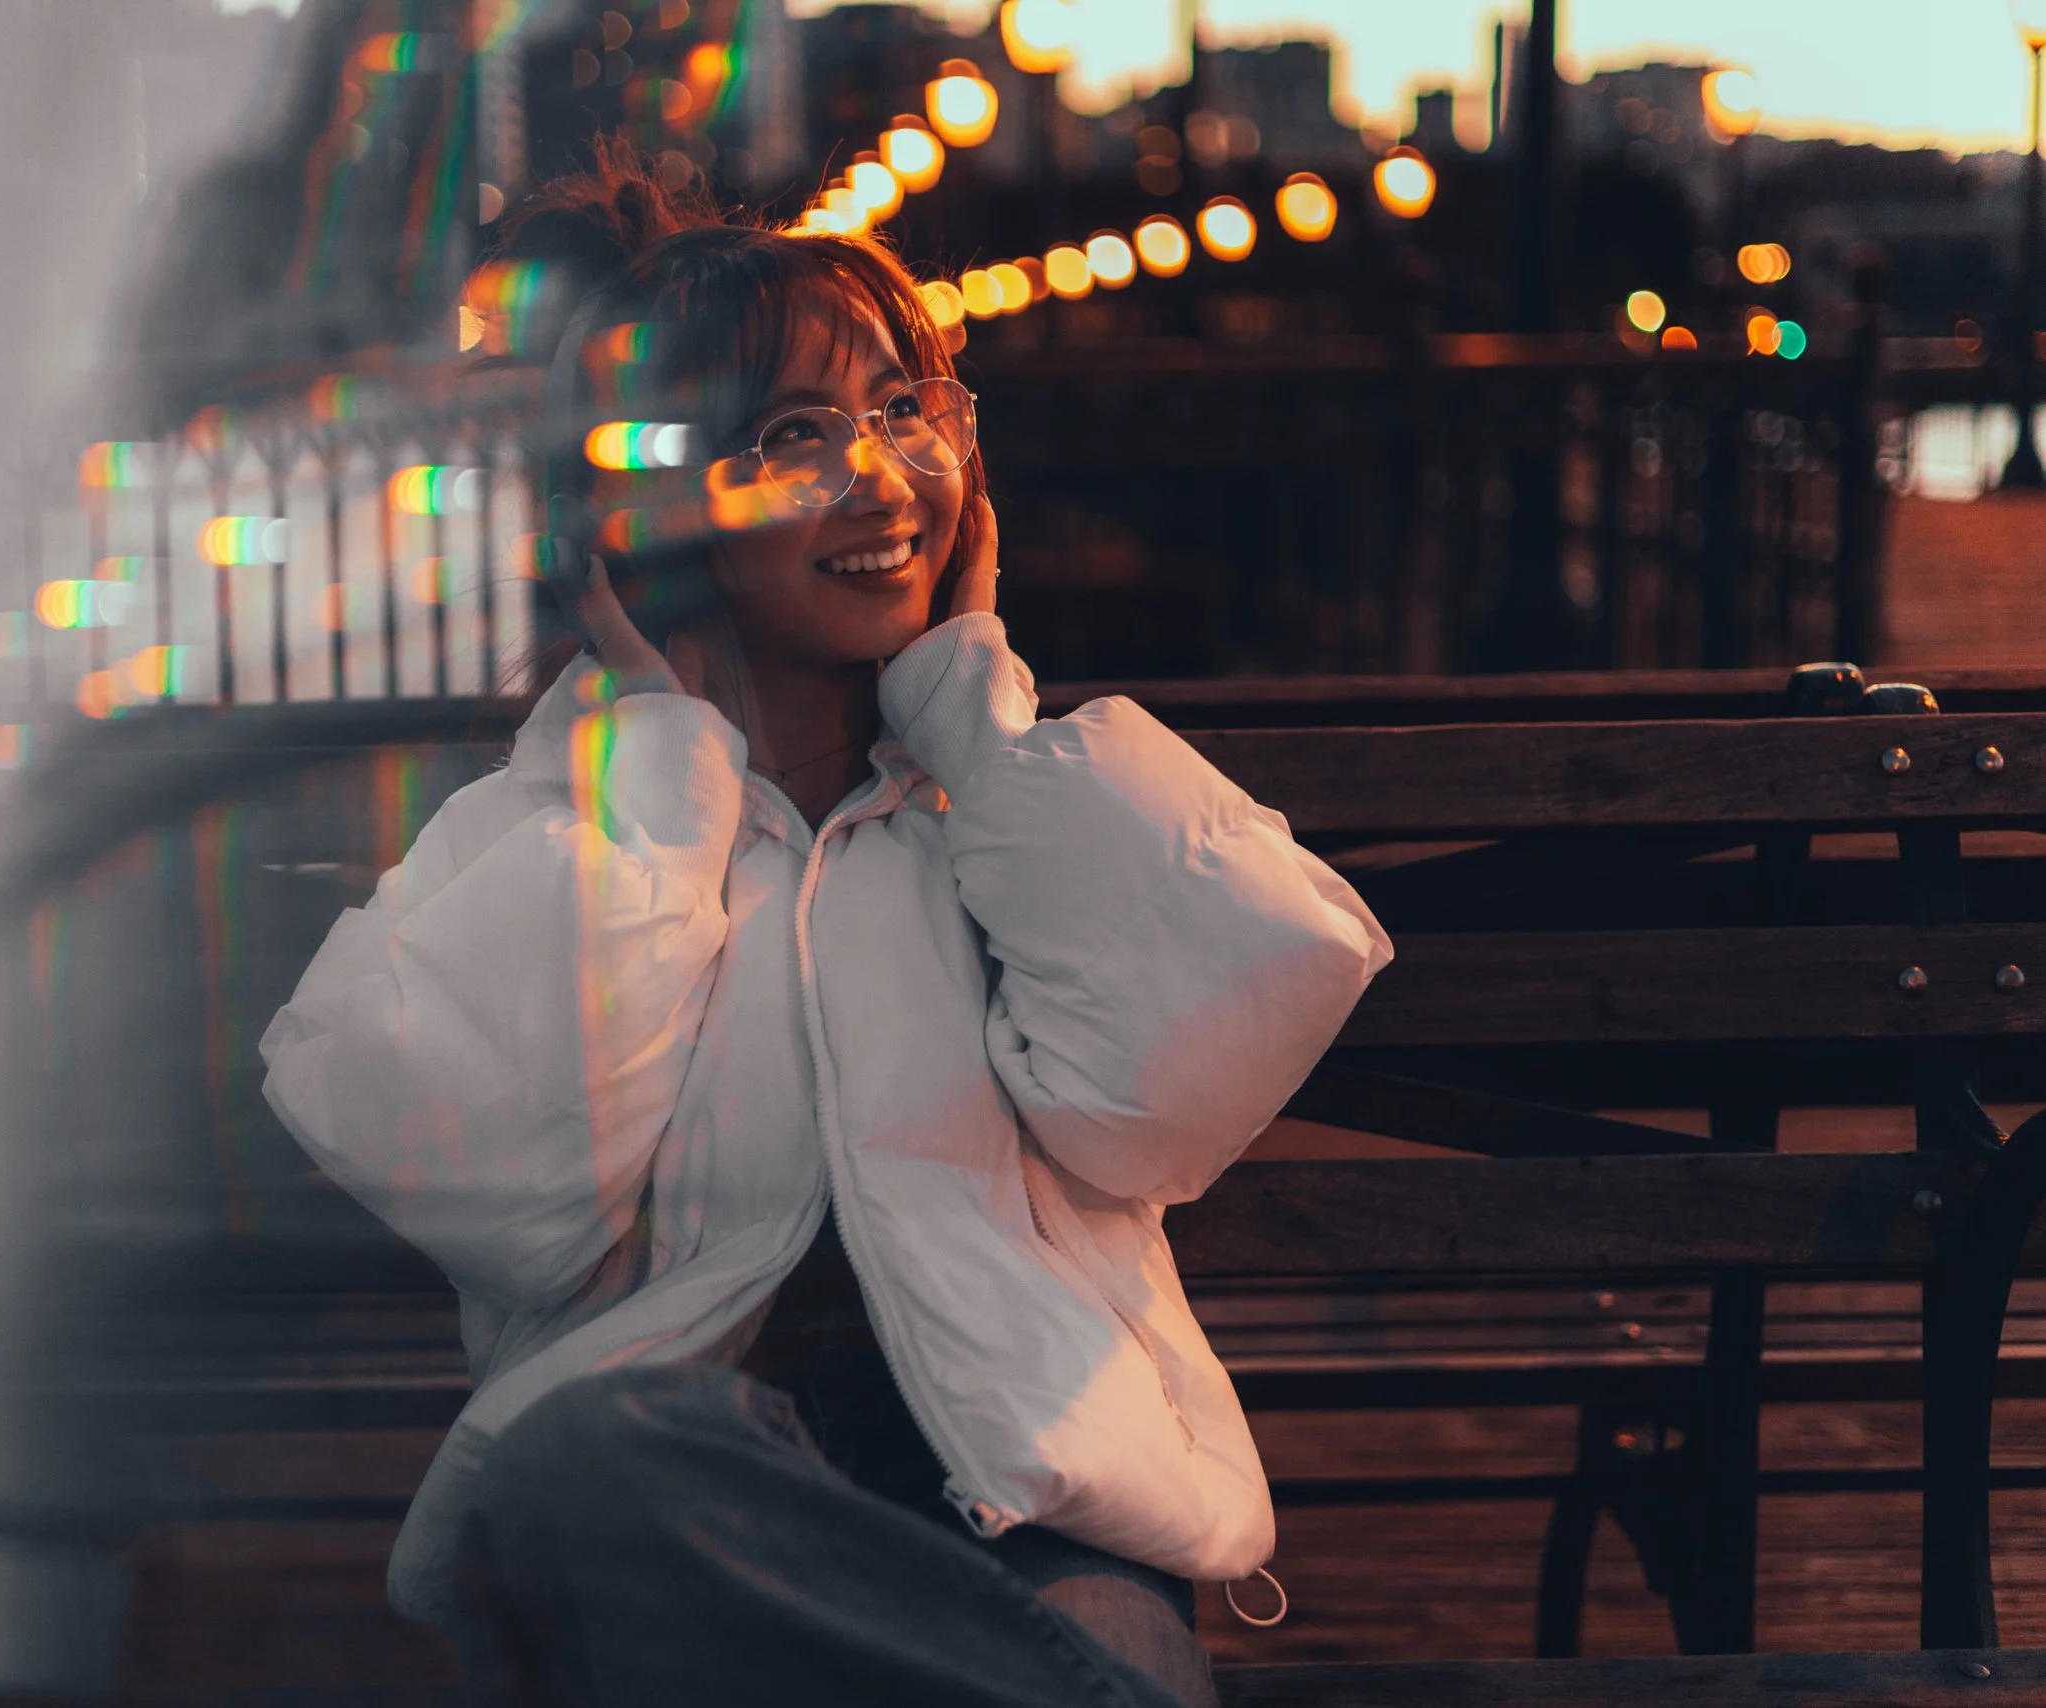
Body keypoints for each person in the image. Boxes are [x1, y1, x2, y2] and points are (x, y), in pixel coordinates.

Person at [259, 144, 1393, 1707]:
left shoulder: (1000, 810)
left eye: (904, 414)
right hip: (680, 1510)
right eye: (798, 435)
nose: (880, 479)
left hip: (1021, 1494)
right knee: (581, 1461)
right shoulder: (552, 830)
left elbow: (1178, 1091)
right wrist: (662, 774)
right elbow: (514, 1197)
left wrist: (980, 725)